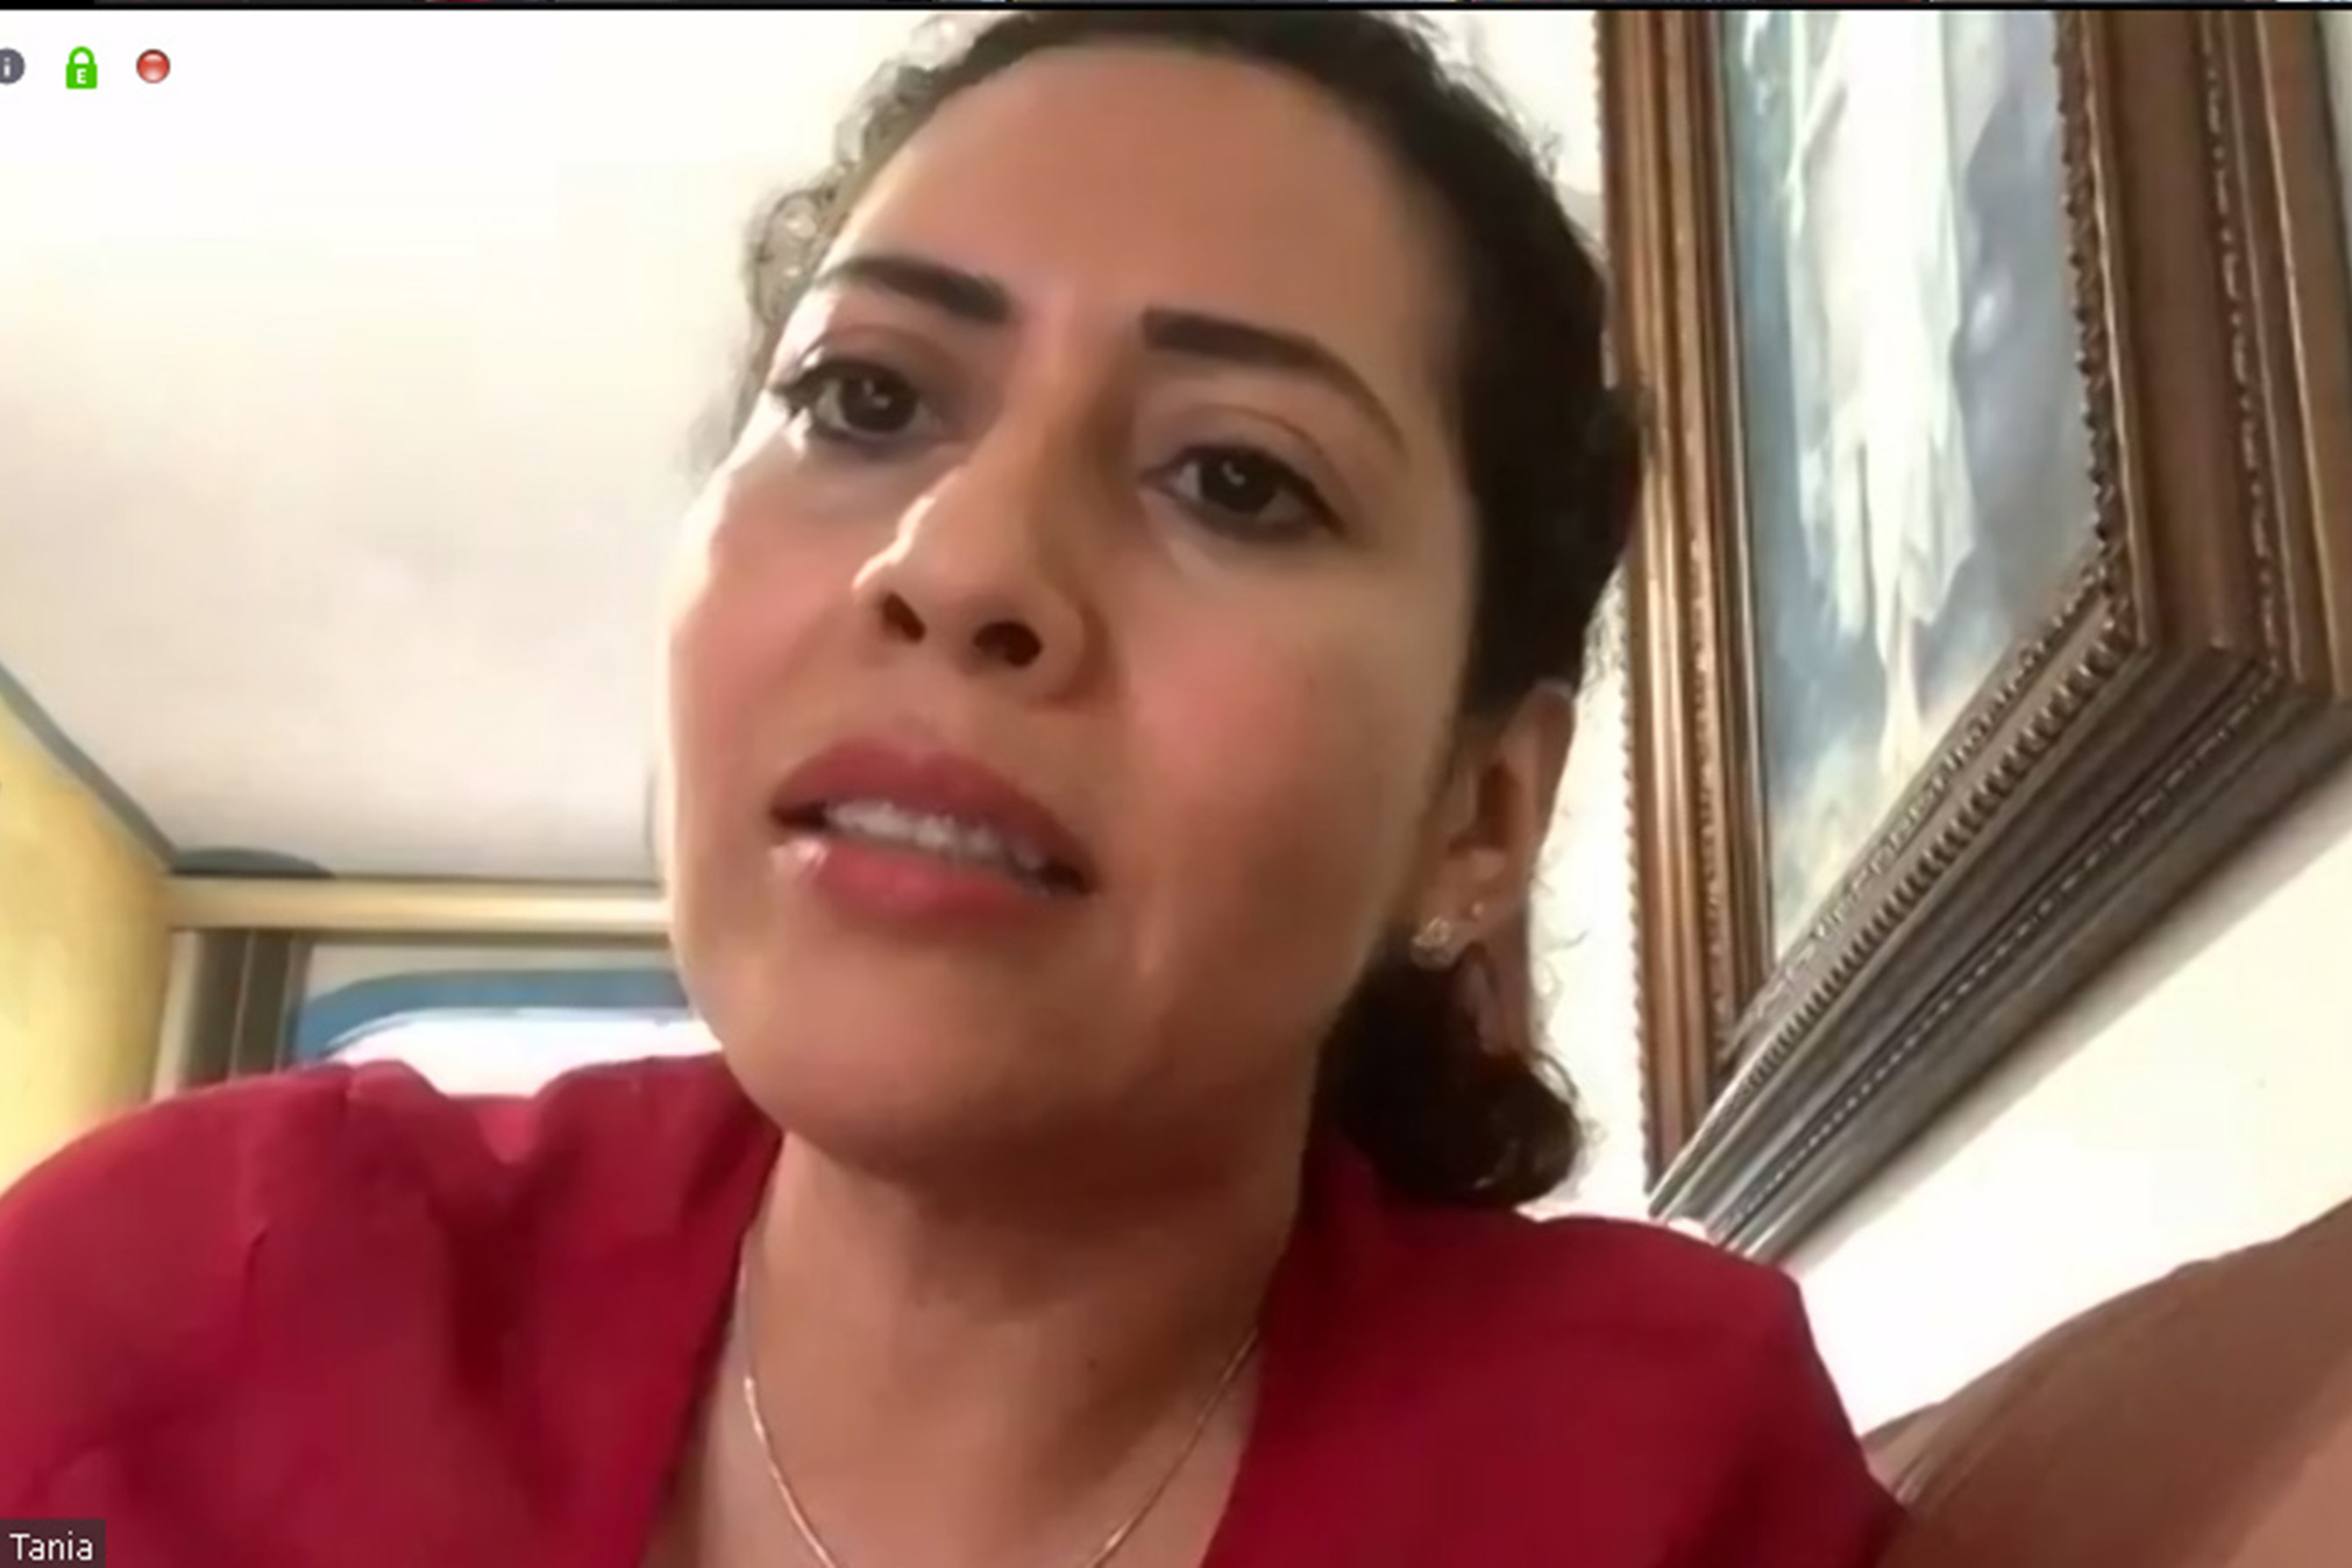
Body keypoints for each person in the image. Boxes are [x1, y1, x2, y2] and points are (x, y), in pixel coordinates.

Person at [0, 10, 1899, 1566]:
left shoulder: (1640, 1472)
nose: (958, 558)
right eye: (867, 397)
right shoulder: (188, 1284)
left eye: (1238, 478)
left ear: (1475, 814)